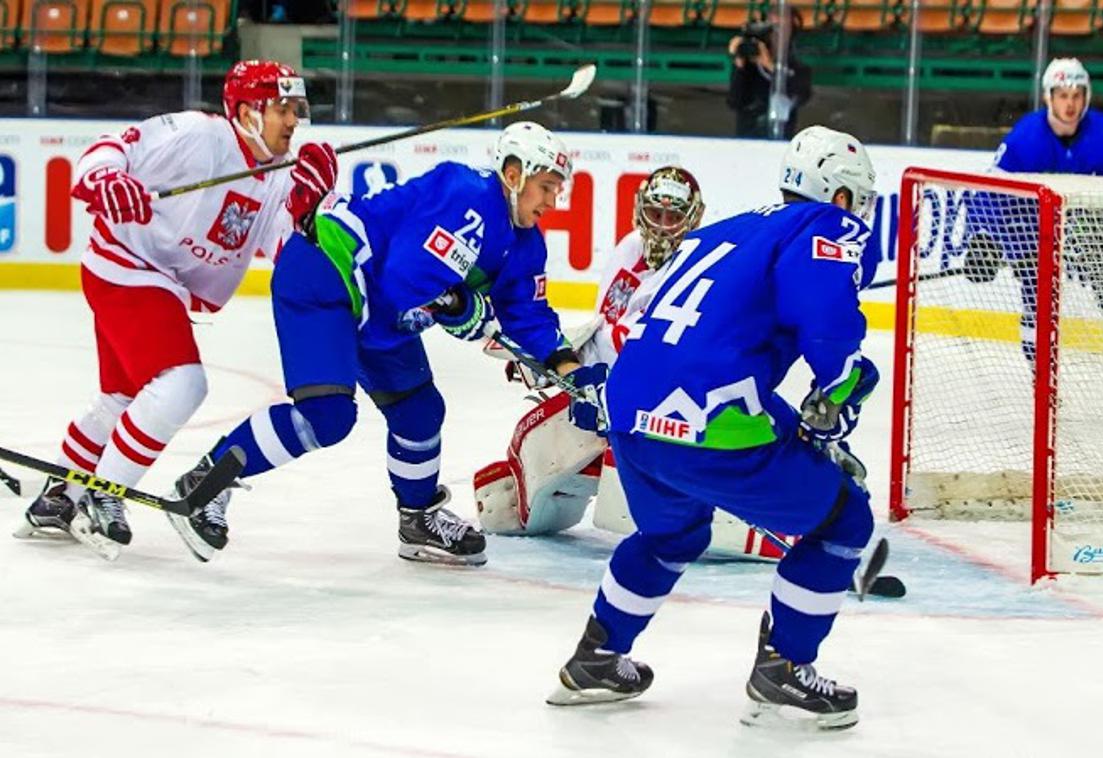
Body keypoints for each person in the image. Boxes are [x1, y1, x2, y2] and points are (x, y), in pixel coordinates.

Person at [546, 125, 878, 732]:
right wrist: (842, 387)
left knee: (673, 534)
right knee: (845, 519)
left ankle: (596, 657)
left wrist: (808, 422)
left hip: (629, 410)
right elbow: (827, 323)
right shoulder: (825, 225)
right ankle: (784, 666)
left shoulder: (725, 230)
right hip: (705, 416)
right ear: (840, 197)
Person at [171, 121, 604, 566]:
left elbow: (528, 317)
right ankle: (204, 483)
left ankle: (418, 520)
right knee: (327, 415)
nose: (553, 202)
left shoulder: (526, 245)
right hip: (329, 272)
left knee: (419, 411)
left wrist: (575, 372)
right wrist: (464, 310)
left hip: (379, 309)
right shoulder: (465, 193)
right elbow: (406, 279)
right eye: (547, 187)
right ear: (514, 175)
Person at [15, 60, 337, 559]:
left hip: (160, 284)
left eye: (298, 109)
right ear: (248, 112)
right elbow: (111, 151)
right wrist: (107, 181)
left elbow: (289, 251)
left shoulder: (280, 176)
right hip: (126, 266)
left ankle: (59, 495)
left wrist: (311, 207)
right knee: (183, 382)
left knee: (122, 399)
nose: (293, 121)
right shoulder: (198, 135)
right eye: (282, 108)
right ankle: (106, 493)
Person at [473, 166, 706, 537]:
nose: (662, 226)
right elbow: (605, 326)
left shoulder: (695, 268)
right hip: (608, 399)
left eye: (673, 216)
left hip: (667, 411)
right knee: (500, 506)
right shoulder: (629, 248)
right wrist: (554, 358)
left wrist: (572, 364)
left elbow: (649, 351)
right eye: (655, 213)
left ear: (693, 218)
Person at [968, 57, 1103, 404]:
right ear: (1048, 97)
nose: (1070, 103)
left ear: (1087, 97)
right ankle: (1043, 379)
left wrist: (1101, 220)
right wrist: (983, 241)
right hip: (1033, 227)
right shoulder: (1025, 138)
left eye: (1077, 94)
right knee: (1036, 297)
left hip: (1090, 228)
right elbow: (988, 194)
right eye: (1062, 94)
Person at [726, 23, 811, 139]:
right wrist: (739, 65)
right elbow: (734, 101)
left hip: (781, 133)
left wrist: (770, 66)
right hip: (747, 135)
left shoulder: (794, 65)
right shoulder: (748, 69)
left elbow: (802, 93)